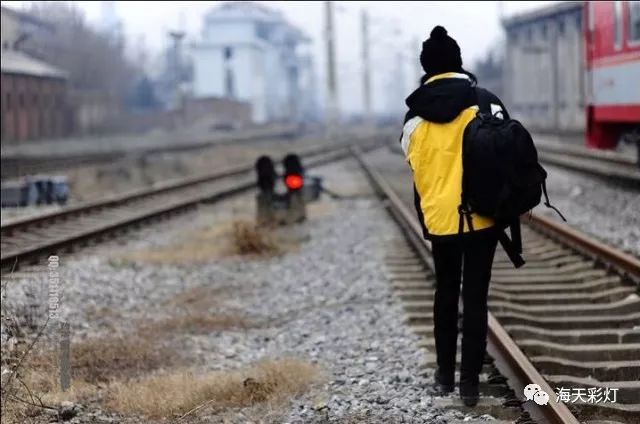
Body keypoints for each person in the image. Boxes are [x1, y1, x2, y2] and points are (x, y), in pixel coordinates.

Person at [400, 25, 510, 407]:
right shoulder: (486, 102)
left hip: (440, 220)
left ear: (427, 67)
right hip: (482, 217)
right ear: (459, 63)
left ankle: (444, 377)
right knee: (476, 298)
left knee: (445, 292)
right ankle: (469, 386)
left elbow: (417, 170)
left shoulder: (412, 117)